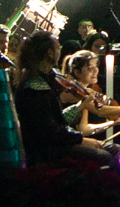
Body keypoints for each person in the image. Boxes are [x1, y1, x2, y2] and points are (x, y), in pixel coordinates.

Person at [10, 30, 101, 165]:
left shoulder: (46, 79)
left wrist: (80, 106)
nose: (60, 51)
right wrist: (81, 139)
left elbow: (57, 120)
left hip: (57, 144)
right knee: (104, 156)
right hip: (48, 152)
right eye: (58, 47)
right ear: (50, 53)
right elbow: (50, 131)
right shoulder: (35, 87)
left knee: (114, 149)